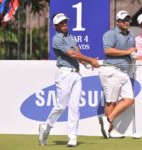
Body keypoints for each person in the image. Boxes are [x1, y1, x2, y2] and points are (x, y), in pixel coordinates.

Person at [38, 13, 100, 147]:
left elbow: (77, 53)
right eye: (61, 23)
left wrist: (86, 64)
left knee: (75, 107)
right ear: (55, 26)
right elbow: (71, 54)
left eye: (65, 21)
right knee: (61, 105)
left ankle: (72, 137)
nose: (65, 24)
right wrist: (91, 60)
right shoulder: (56, 39)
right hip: (64, 74)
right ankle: (46, 126)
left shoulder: (71, 37)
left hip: (76, 74)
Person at [98, 10, 137, 139]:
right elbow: (108, 50)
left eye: (128, 20)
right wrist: (127, 52)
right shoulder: (110, 34)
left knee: (129, 99)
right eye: (124, 20)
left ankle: (108, 119)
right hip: (111, 70)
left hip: (123, 72)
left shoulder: (131, 36)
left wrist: (133, 54)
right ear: (118, 21)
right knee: (111, 102)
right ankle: (110, 130)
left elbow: (130, 52)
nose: (127, 22)